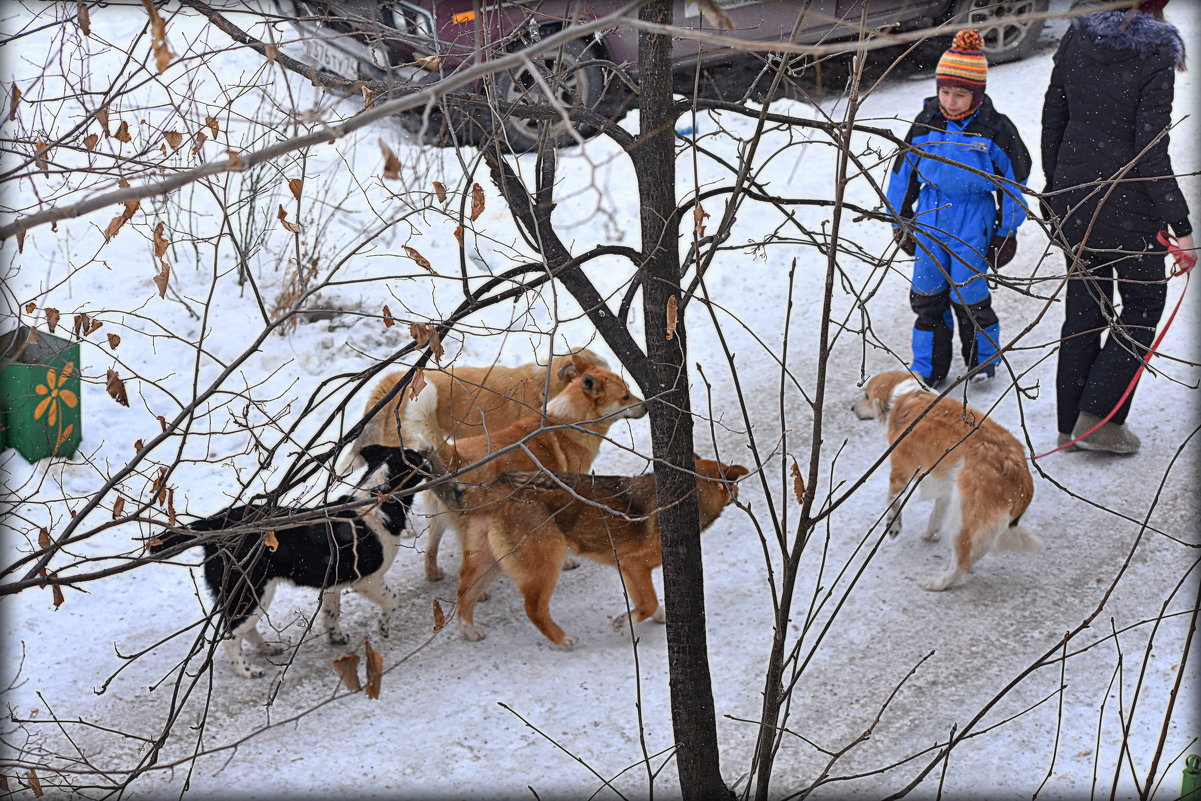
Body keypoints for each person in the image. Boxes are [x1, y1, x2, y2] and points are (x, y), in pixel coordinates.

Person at [1041, 0, 1194, 455]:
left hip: (1076, 199)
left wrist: (1057, 192)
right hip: (1129, 208)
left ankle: (1069, 428)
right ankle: (1100, 420)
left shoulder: (1077, 33)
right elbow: (1150, 150)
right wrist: (1180, 224)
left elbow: (1054, 119)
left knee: (1084, 311)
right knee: (1144, 306)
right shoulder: (1156, 49)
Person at [886, 29, 1031, 389]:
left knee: (969, 296)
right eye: (945, 91)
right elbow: (904, 177)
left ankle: (980, 362)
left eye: (961, 93)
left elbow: (1014, 185)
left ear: (977, 94)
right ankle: (929, 367)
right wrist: (899, 221)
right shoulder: (924, 125)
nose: (951, 101)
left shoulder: (994, 130)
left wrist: (1005, 231)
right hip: (929, 219)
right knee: (926, 294)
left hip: (974, 219)